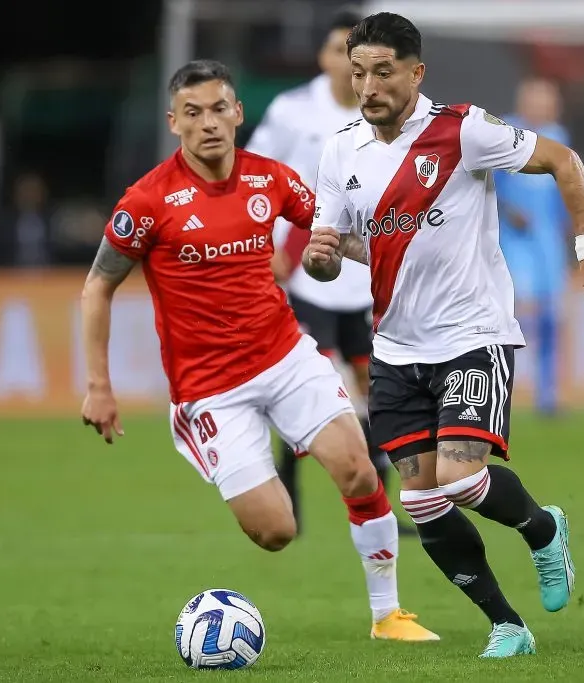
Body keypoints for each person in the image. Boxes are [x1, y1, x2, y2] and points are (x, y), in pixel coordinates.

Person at [79, 59, 437, 642]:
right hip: (210, 390)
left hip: (286, 356)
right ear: (174, 123)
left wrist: (394, 255)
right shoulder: (147, 202)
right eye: (193, 113)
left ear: (239, 113)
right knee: (276, 530)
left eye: (220, 108)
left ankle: (387, 616)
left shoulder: (269, 178)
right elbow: (98, 285)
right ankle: (237, 465)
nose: (209, 124)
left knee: (357, 468)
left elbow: (331, 234)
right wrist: (99, 385)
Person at [303, 13, 584, 658]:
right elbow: (344, 248)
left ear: (416, 73)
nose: (368, 86)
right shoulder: (340, 150)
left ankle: (540, 528)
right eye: (359, 72)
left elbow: (563, 160)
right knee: (420, 501)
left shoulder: (463, 130)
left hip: (473, 337)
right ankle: (508, 624)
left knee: (457, 479)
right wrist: (322, 257)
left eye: (383, 72)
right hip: (395, 347)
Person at [245, 6, 413, 536]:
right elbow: (256, 175)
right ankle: (288, 492)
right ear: (324, 56)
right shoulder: (294, 111)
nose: (350, 65)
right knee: (304, 386)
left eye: (360, 55)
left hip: (366, 281)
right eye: (343, 52)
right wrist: (264, 244)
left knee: (375, 389)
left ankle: (383, 502)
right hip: (304, 278)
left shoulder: (387, 112)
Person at [493, 78, 570, 415]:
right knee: (518, 314)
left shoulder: (559, 136)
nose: (544, 108)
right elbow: (487, 185)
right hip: (513, 240)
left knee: (553, 316)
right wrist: (508, 211)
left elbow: (566, 188)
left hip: (548, 240)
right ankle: (500, 388)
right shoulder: (504, 133)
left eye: (548, 102)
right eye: (537, 101)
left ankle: (547, 394)